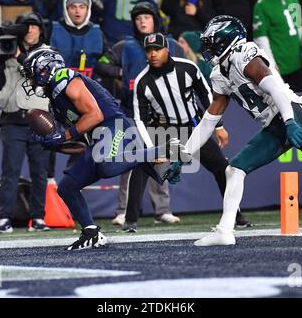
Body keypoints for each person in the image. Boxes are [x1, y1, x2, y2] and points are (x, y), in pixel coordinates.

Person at [173, 15, 302, 246]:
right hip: (274, 124)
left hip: (292, 112)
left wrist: (289, 122)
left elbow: (276, 89)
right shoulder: (219, 74)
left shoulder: (243, 55)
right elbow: (209, 121)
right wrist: (183, 154)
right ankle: (225, 231)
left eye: (211, 43)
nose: (207, 49)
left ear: (225, 40)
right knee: (234, 169)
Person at [21, 47, 187, 250]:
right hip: (97, 139)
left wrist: (63, 135)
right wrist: (54, 143)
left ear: (45, 69)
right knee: (67, 187)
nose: (30, 81)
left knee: (106, 165)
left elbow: (95, 115)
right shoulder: (55, 101)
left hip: (113, 125)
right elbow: (79, 143)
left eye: (31, 74)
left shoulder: (65, 79)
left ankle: (164, 149)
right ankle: (91, 233)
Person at [124, 32, 251, 232]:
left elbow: (206, 95)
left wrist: (218, 126)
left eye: (157, 49)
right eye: (148, 51)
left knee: (223, 169)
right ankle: (130, 221)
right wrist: (151, 148)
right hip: (164, 131)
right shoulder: (142, 81)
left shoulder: (188, 68)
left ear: (167, 49)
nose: (153, 54)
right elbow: (140, 118)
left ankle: (236, 216)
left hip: (193, 129)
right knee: (140, 168)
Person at [96, 1, 185, 227]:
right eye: (137, 18)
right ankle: (123, 211)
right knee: (131, 162)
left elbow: (186, 68)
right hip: (131, 112)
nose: (142, 21)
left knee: (162, 160)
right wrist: (121, 73)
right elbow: (101, 65)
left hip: (163, 113)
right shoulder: (123, 46)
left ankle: (162, 210)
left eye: (146, 17)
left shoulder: (172, 45)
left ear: (155, 19)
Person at [0, 13, 51, 233]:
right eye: (26, 27)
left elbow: (42, 74)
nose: (30, 31)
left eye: (34, 27)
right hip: (13, 119)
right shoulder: (7, 49)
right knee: (10, 171)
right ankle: (4, 218)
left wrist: (21, 56)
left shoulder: (48, 53)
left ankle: (39, 217)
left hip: (40, 119)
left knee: (39, 172)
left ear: (41, 30)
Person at [253, 0, 302, 92]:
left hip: (297, 63)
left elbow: (300, 28)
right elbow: (261, 37)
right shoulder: (262, 4)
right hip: (279, 65)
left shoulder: (293, 0)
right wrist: (271, 63)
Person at [49, 0, 106, 79]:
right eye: (73, 7)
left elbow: (106, 62)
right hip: (57, 84)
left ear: (88, 9)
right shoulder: (53, 30)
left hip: (89, 86)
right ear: (66, 10)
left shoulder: (97, 32)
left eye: (82, 7)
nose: (77, 11)